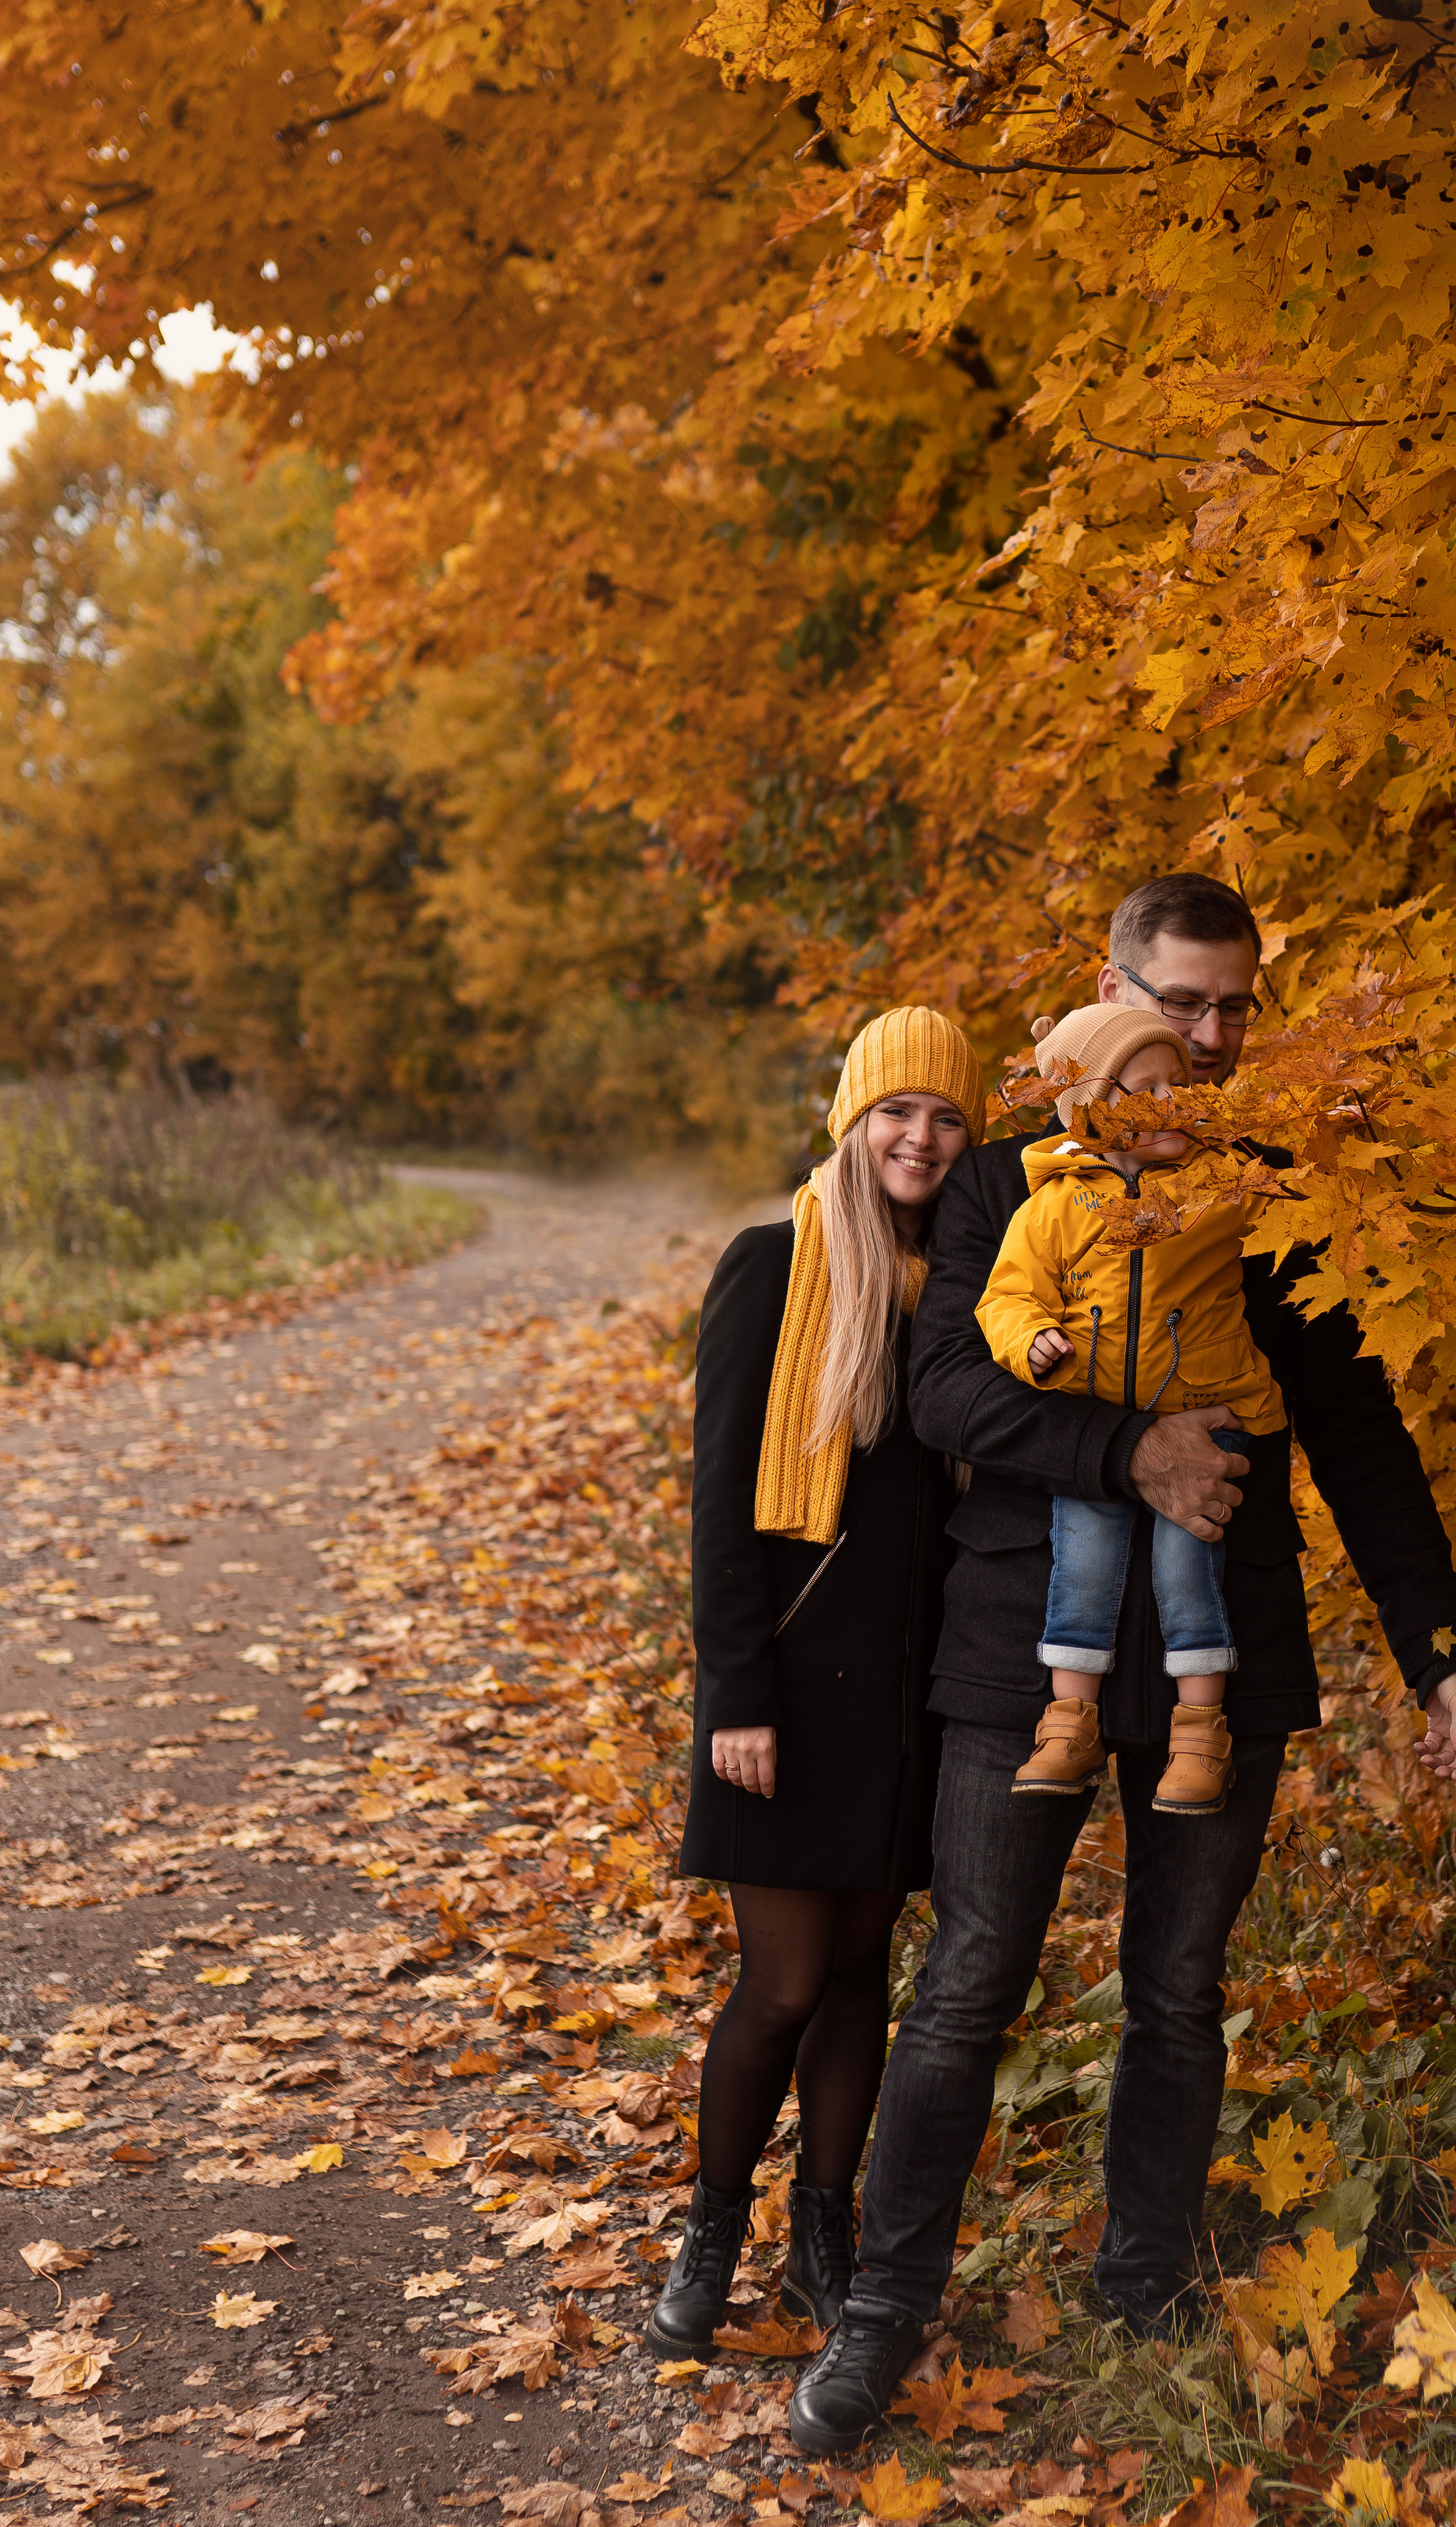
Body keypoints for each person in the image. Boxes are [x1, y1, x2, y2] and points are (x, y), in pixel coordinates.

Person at [787, 874, 1456, 2454]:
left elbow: (1359, 1437)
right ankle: (885, 2313)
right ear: (1108, 989)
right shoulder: (997, 1181)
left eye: (1236, 1005)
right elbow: (946, 1389)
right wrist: (1131, 1456)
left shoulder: (1272, 1189)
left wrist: (1437, 1643)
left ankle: (1143, 2283)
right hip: (1013, 1645)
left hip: (1215, 1654)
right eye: (1181, 1002)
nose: (1212, 1032)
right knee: (969, 1984)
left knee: (1176, 1992)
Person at [652, 1005, 987, 2361]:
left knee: (863, 1975)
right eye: (896, 1111)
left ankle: (823, 2235)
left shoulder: (970, 1292)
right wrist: (735, 1694)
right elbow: (722, 1510)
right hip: (784, 1693)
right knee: (781, 1985)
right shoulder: (773, 1265)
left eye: (947, 1116)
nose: (919, 1136)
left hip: (909, 1696)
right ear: (852, 1124)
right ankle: (712, 2230)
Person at [976, 1002, 1286, 1814]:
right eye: (1140, 1091)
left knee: (1188, 1572)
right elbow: (1006, 1299)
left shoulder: (1218, 1188)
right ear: (1088, 1112)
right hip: (1092, 1425)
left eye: (1177, 1086)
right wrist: (1032, 1340)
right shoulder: (1050, 1207)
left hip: (1204, 1414)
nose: (1167, 1105)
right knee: (1082, 1566)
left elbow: (1294, 1198)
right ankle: (1068, 1721)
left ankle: (1199, 1736)